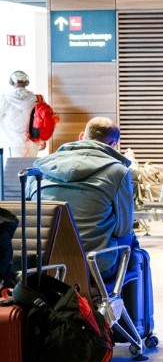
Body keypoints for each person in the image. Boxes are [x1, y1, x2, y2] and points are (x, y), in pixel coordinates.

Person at [28, 116, 133, 278]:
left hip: (43, 265)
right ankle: (117, 301)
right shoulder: (118, 172)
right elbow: (123, 230)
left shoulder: (39, 169)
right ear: (113, 145)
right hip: (93, 266)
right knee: (134, 250)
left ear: (82, 136)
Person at [0, 70, 41, 160]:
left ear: (11, 82)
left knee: (15, 170)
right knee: (30, 169)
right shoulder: (37, 99)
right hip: (33, 141)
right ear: (27, 82)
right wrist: (42, 140)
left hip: (14, 142)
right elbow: (43, 120)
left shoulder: (5, 98)